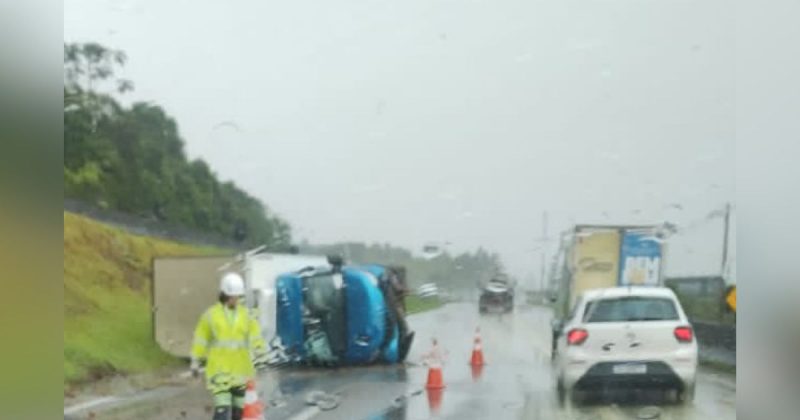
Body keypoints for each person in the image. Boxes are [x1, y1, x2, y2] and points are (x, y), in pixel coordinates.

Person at [191, 272, 268, 420]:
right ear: (225, 294)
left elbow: (256, 337)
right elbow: (201, 340)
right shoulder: (211, 316)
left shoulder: (246, 315)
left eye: (238, 296)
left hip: (241, 373)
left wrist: (261, 354)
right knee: (222, 410)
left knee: (237, 413)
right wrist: (196, 360)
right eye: (233, 296)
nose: (236, 299)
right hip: (219, 373)